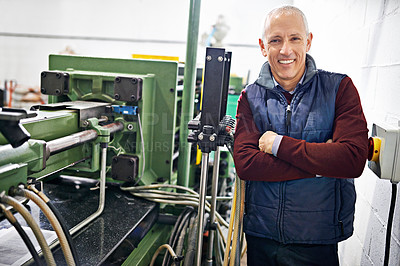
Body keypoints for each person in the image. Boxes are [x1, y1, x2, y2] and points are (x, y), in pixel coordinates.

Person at [233, 5, 368, 266]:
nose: (286, 50)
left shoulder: (339, 89)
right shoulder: (250, 97)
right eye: (275, 40)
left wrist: (278, 144)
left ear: (308, 41)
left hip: (316, 240)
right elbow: (246, 164)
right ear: (263, 46)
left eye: (294, 38)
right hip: (261, 238)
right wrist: (320, 165)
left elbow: (352, 160)